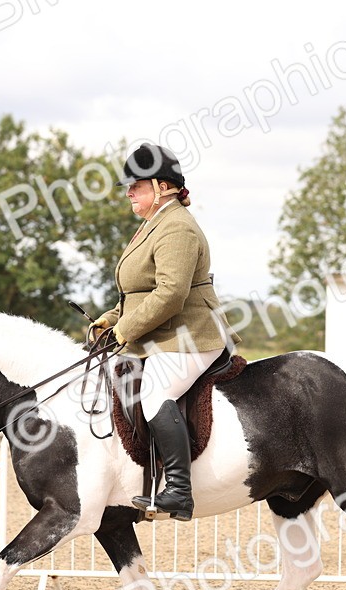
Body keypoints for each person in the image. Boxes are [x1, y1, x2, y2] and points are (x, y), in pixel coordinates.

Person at [91, 143, 241, 521]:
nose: (129, 192)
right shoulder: (152, 225)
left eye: (136, 186)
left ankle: (178, 489)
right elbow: (139, 292)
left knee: (155, 391)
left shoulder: (176, 227)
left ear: (162, 187)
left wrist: (125, 329)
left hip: (191, 335)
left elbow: (171, 293)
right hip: (163, 335)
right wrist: (111, 319)